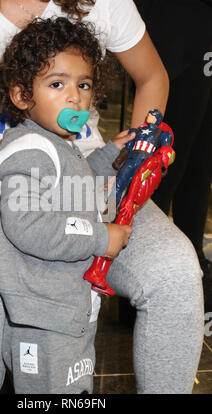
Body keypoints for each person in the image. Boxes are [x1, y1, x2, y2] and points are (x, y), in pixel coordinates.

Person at [0, 0, 203, 394]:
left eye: (82, 85)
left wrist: (134, 162)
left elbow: (153, 76)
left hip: (84, 168)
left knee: (175, 272)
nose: (76, 95)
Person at [0, 17, 132, 393]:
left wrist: (109, 155)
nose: (75, 97)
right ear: (21, 96)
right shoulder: (29, 151)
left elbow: (72, 184)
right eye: (57, 84)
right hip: (44, 315)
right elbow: (28, 225)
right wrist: (99, 237)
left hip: (65, 309)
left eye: (83, 85)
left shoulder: (54, 145)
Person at [134, 0, 212, 308]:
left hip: (199, 27)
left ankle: (192, 268)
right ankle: (144, 277)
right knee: (164, 164)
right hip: (172, 24)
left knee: (199, 162)